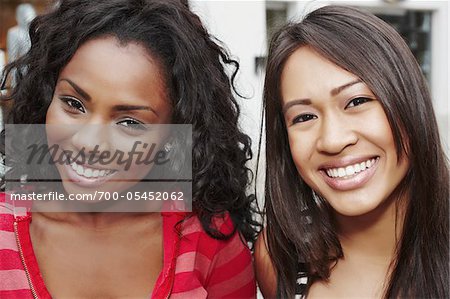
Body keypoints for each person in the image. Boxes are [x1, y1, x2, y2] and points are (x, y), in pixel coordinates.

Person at [0, 0, 258, 298]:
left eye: (130, 122)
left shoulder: (208, 238)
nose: (88, 142)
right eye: (73, 104)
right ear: (47, 96)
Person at [255, 5, 448, 299]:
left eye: (356, 101)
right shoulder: (280, 255)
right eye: (304, 117)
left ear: (408, 101)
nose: (332, 141)